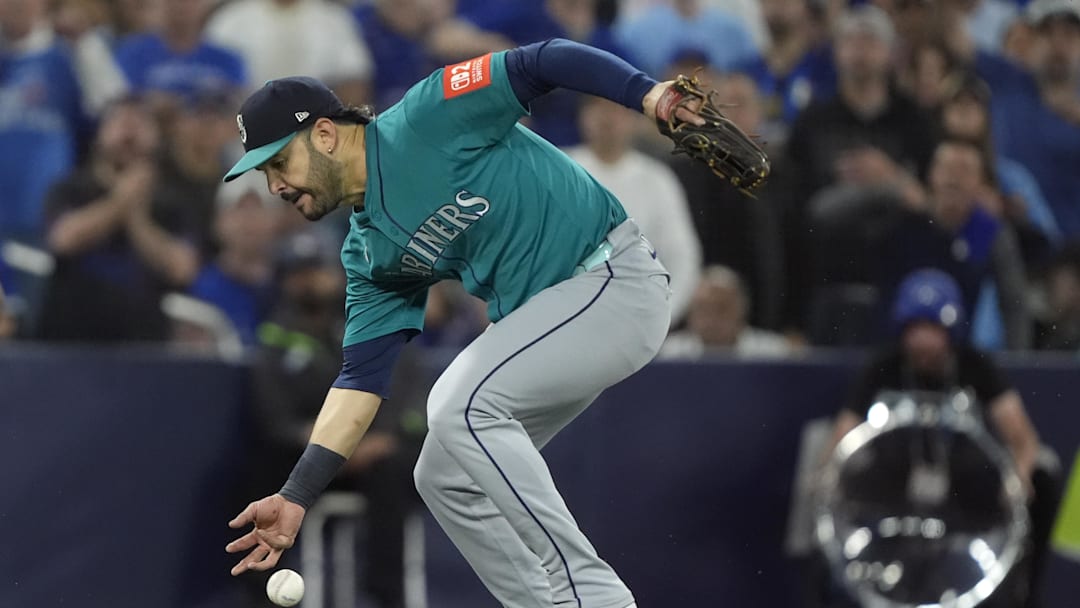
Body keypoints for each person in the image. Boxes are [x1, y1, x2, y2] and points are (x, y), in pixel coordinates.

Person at [224, 38, 701, 608]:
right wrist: (297, 495)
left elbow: (540, 61)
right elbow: (360, 380)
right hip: (551, 323)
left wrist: (643, 93)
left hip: (611, 279)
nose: (275, 185)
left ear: (325, 134)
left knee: (457, 406)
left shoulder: (426, 117)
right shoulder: (368, 252)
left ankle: (593, 597)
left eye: (279, 162)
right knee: (444, 476)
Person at [825, 268, 1059, 608]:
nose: (924, 342)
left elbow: (1023, 438)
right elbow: (843, 434)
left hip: (964, 486)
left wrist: (1019, 477)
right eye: (915, 330)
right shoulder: (883, 366)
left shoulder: (975, 366)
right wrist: (829, 475)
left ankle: (1025, 598)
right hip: (893, 486)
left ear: (951, 331)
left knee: (1045, 474)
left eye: (933, 330)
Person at [36, 95, 200, 342]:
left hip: (146, 340)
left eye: (140, 124)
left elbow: (181, 268)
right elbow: (64, 239)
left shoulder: (172, 201)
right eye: (120, 122)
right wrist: (120, 201)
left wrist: (136, 215)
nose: (129, 134)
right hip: (71, 337)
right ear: (100, 134)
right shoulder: (71, 189)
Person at [565, 95, 701, 324]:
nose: (607, 119)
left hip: (638, 316)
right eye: (598, 109)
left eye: (615, 110)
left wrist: (663, 315)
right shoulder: (561, 170)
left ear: (633, 119)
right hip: (567, 315)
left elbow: (683, 257)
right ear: (583, 116)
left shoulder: (657, 179)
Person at [659, 265, 792, 360]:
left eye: (721, 309)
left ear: (741, 309)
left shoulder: (775, 355)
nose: (711, 319)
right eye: (703, 310)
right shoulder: (669, 356)